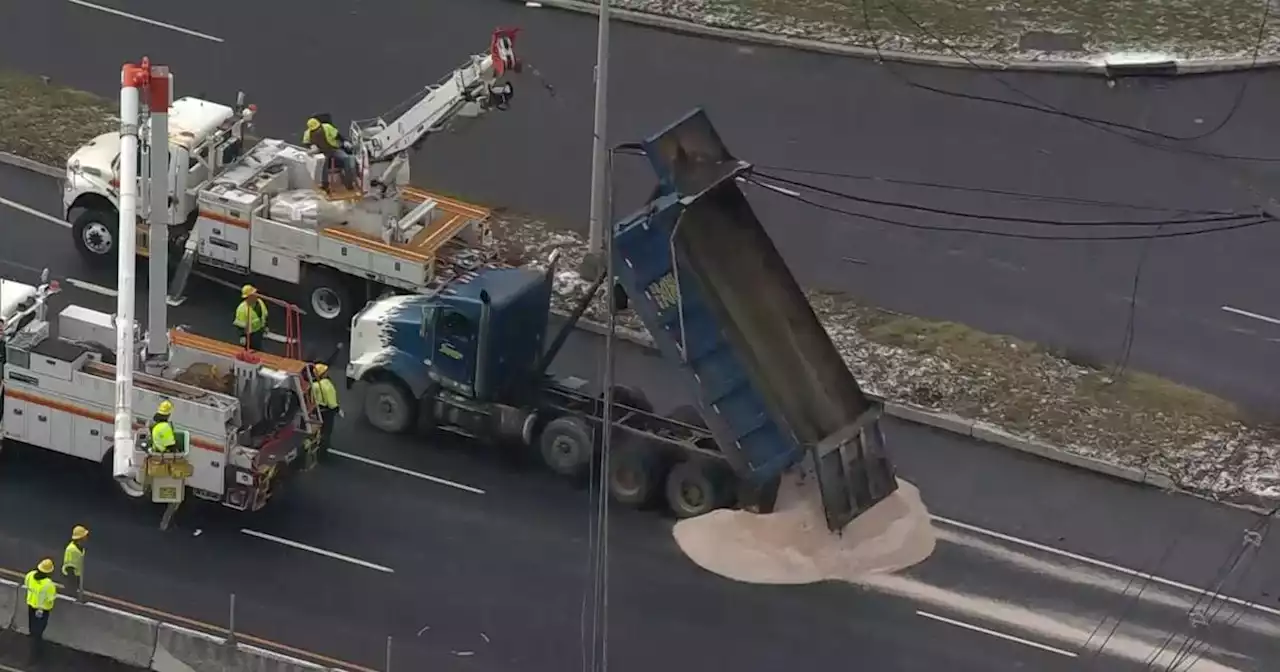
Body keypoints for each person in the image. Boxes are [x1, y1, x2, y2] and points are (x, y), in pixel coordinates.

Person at [302, 116, 356, 192]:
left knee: (346, 158)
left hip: (333, 149)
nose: (317, 130)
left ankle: (349, 183)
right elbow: (305, 142)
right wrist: (311, 146)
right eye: (315, 130)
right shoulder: (307, 134)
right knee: (323, 165)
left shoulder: (327, 127)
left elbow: (337, 135)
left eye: (318, 128)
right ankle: (325, 185)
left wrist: (345, 141)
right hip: (321, 152)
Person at [24, 558, 58, 663]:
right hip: (42, 611)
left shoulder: (30, 575)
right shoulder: (49, 585)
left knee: (32, 629)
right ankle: (35, 655)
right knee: (38, 632)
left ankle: (35, 649)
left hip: (31, 606)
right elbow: (51, 598)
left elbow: (27, 584)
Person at [311, 363, 342, 461]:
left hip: (316, 410)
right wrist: (337, 409)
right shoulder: (327, 385)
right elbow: (331, 401)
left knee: (316, 429)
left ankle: (314, 444)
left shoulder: (314, 385)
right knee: (327, 431)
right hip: (327, 411)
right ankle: (322, 454)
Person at [234, 285, 268, 351]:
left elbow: (265, 315)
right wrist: (242, 336)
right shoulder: (242, 309)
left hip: (259, 332)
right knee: (248, 351)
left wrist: (265, 326)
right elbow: (239, 325)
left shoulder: (260, 302)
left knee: (258, 349)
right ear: (248, 297)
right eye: (254, 294)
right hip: (249, 335)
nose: (256, 295)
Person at [62, 525, 88, 599]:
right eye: (84, 536)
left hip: (77, 576)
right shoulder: (71, 550)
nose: (86, 537)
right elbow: (69, 567)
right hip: (71, 578)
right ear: (80, 538)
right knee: (71, 597)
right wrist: (73, 583)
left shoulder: (80, 547)